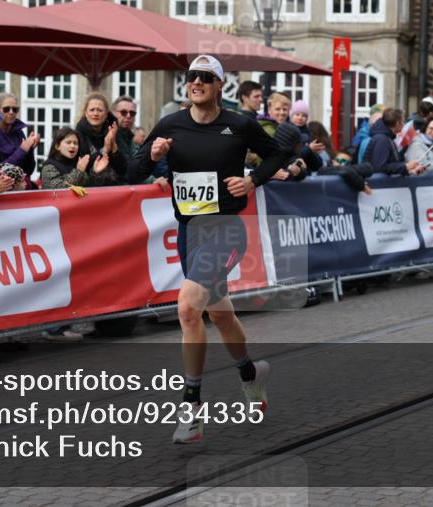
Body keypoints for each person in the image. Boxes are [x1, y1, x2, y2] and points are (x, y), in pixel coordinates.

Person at [126, 54, 289, 445]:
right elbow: (132, 173)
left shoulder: (239, 124)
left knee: (186, 308)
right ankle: (250, 373)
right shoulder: (170, 125)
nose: (195, 82)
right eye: (191, 77)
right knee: (219, 312)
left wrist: (251, 181)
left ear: (219, 86)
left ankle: (191, 408)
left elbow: (279, 154)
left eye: (205, 77)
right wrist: (152, 156)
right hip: (190, 232)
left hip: (228, 229)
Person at [0, 92, 40, 187]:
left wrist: (30, 149)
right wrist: (23, 149)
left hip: (21, 186)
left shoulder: (18, 132)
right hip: (0, 190)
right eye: (6, 109)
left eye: (15, 109)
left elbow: (28, 170)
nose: (11, 112)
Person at [40, 127, 116, 190]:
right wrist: (79, 171)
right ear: (57, 146)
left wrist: (95, 173)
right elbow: (58, 189)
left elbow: (88, 188)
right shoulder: (49, 166)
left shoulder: (77, 163)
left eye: (75, 143)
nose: (73, 146)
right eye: (68, 142)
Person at [75, 92, 125, 185]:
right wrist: (105, 149)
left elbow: (122, 168)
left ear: (106, 114)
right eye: (92, 110)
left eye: (100, 110)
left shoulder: (114, 131)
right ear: (85, 113)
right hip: (88, 189)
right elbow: (82, 165)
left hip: (113, 189)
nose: (95, 113)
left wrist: (114, 148)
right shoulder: (78, 134)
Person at [364, 108, 422, 176]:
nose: (404, 125)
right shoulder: (382, 139)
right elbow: (380, 168)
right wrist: (406, 166)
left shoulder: (386, 137)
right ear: (397, 123)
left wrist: (409, 171)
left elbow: (392, 162)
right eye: (403, 122)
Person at [288, 100, 324, 174]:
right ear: (291, 115)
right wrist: (309, 149)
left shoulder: (309, 134)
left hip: (306, 175)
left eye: (304, 115)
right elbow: (289, 157)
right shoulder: (286, 132)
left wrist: (313, 153)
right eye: (297, 114)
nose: (300, 118)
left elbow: (317, 165)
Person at [112, 95, 140, 166]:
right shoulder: (108, 136)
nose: (128, 116)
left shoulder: (131, 138)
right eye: (123, 112)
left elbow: (137, 165)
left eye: (132, 113)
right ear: (114, 114)